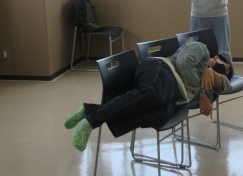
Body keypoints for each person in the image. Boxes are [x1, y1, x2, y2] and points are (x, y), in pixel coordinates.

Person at [64, 41, 234, 151]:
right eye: (225, 65)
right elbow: (183, 63)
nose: (225, 70)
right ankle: (90, 121)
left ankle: (90, 111)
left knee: (161, 114)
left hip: (170, 95)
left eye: (227, 73)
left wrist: (214, 75)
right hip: (162, 70)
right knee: (152, 94)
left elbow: (227, 88)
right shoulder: (201, 49)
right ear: (217, 57)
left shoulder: (210, 87)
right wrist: (203, 88)